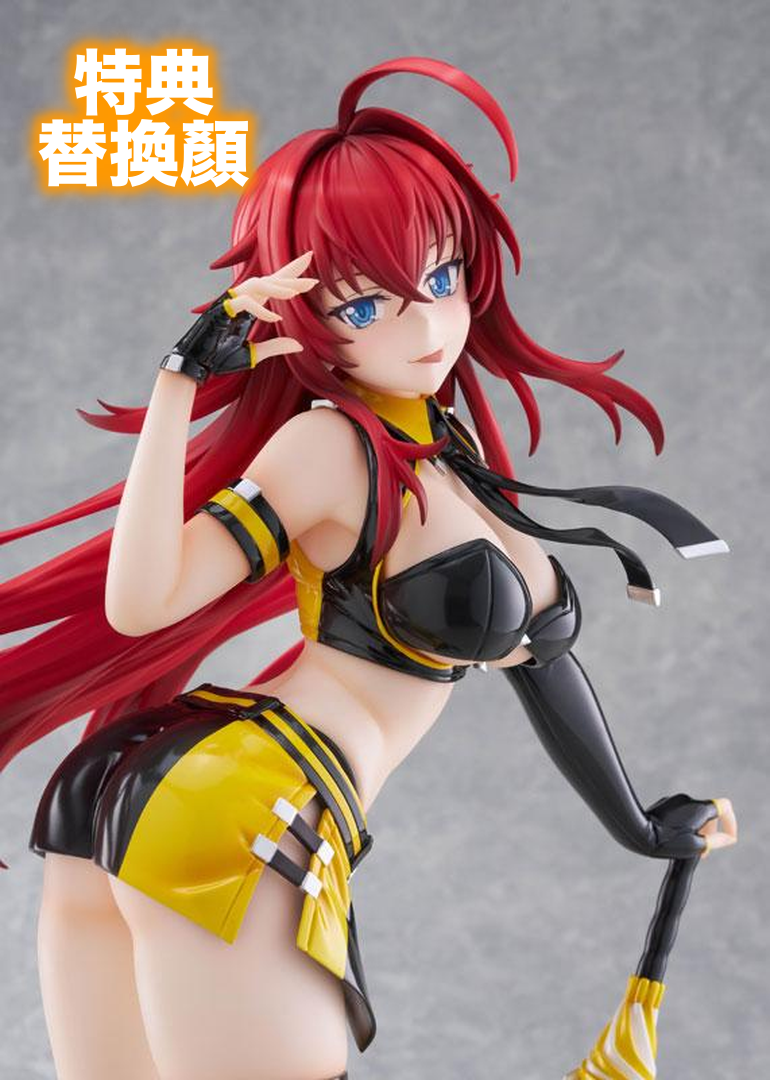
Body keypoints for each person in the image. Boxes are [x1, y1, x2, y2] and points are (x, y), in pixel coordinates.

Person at [0, 56, 736, 1080]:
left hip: (190, 787)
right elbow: (142, 603)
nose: (426, 327)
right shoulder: (327, 448)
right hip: (247, 804)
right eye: (363, 306)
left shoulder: (443, 451)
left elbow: (539, 659)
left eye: (440, 280)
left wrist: (638, 824)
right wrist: (178, 385)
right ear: (301, 319)